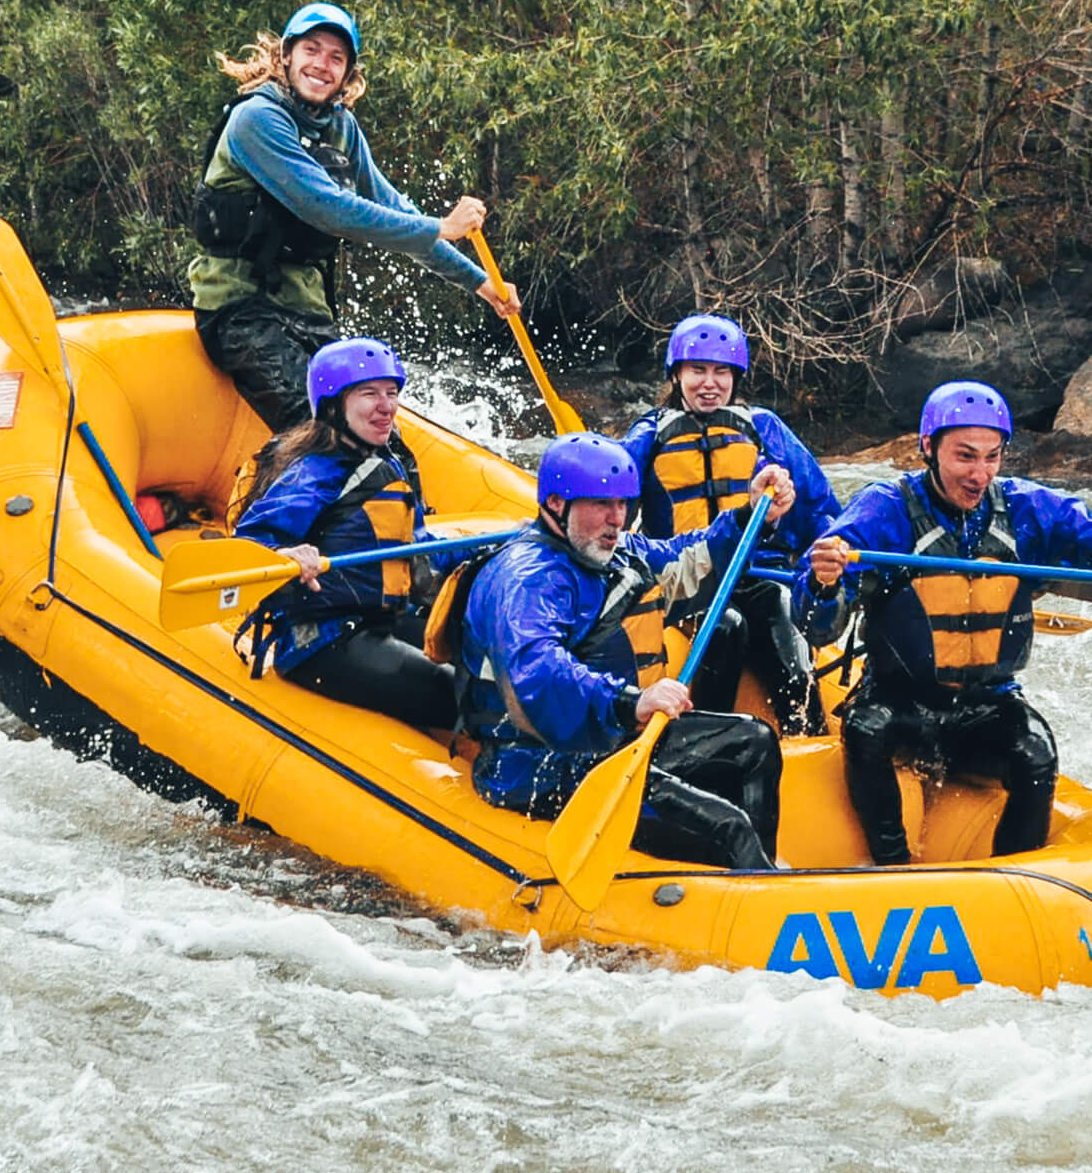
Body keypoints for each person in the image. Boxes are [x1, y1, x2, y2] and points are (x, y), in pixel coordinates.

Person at [797, 381, 1092, 866]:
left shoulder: (1025, 508)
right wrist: (824, 582)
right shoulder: (885, 508)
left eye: (993, 457)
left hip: (985, 704)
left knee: (1036, 753)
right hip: (900, 702)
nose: (980, 474)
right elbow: (817, 625)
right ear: (929, 448)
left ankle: (1020, 876)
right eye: (965, 457)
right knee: (866, 730)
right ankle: (890, 864)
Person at [453, 433, 793, 870]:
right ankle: (747, 884)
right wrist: (631, 701)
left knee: (755, 742)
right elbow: (539, 671)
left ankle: (758, 876)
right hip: (534, 761)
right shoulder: (528, 578)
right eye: (600, 504)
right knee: (728, 827)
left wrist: (751, 516)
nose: (617, 519)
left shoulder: (617, 555)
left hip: (610, 739)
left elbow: (688, 560)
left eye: (623, 504)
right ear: (556, 504)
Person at [187, 1, 521, 429]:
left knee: (377, 433)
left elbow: (393, 211)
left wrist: (479, 282)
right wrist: (442, 226)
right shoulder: (257, 120)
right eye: (312, 50)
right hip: (239, 312)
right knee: (321, 430)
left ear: (347, 74)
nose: (321, 65)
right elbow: (330, 209)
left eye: (336, 58)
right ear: (286, 55)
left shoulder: (342, 127)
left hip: (306, 313)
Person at [616, 313, 838, 734]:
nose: (709, 383)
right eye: (697, 370)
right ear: (676, 373)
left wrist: (830, 555)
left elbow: (819, 503)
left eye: (721, 372)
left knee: (782, 612)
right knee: (726, 627)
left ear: (736, 376)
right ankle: (710, 739)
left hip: (758, 572)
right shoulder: (651, 433)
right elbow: (614, 504)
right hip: (690, 574)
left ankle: (807, 731)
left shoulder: (763, 428)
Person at [231, 337, 458, 733]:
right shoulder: (315, 473)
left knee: (484, 663)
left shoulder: (388, 463)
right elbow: (249, 544)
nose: (386, 406)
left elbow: (413, 550)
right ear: (335, 405)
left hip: (380, 616)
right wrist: (285, 553)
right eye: (370, 394)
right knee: (454, 692)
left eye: (391, 393)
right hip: (321, 641)